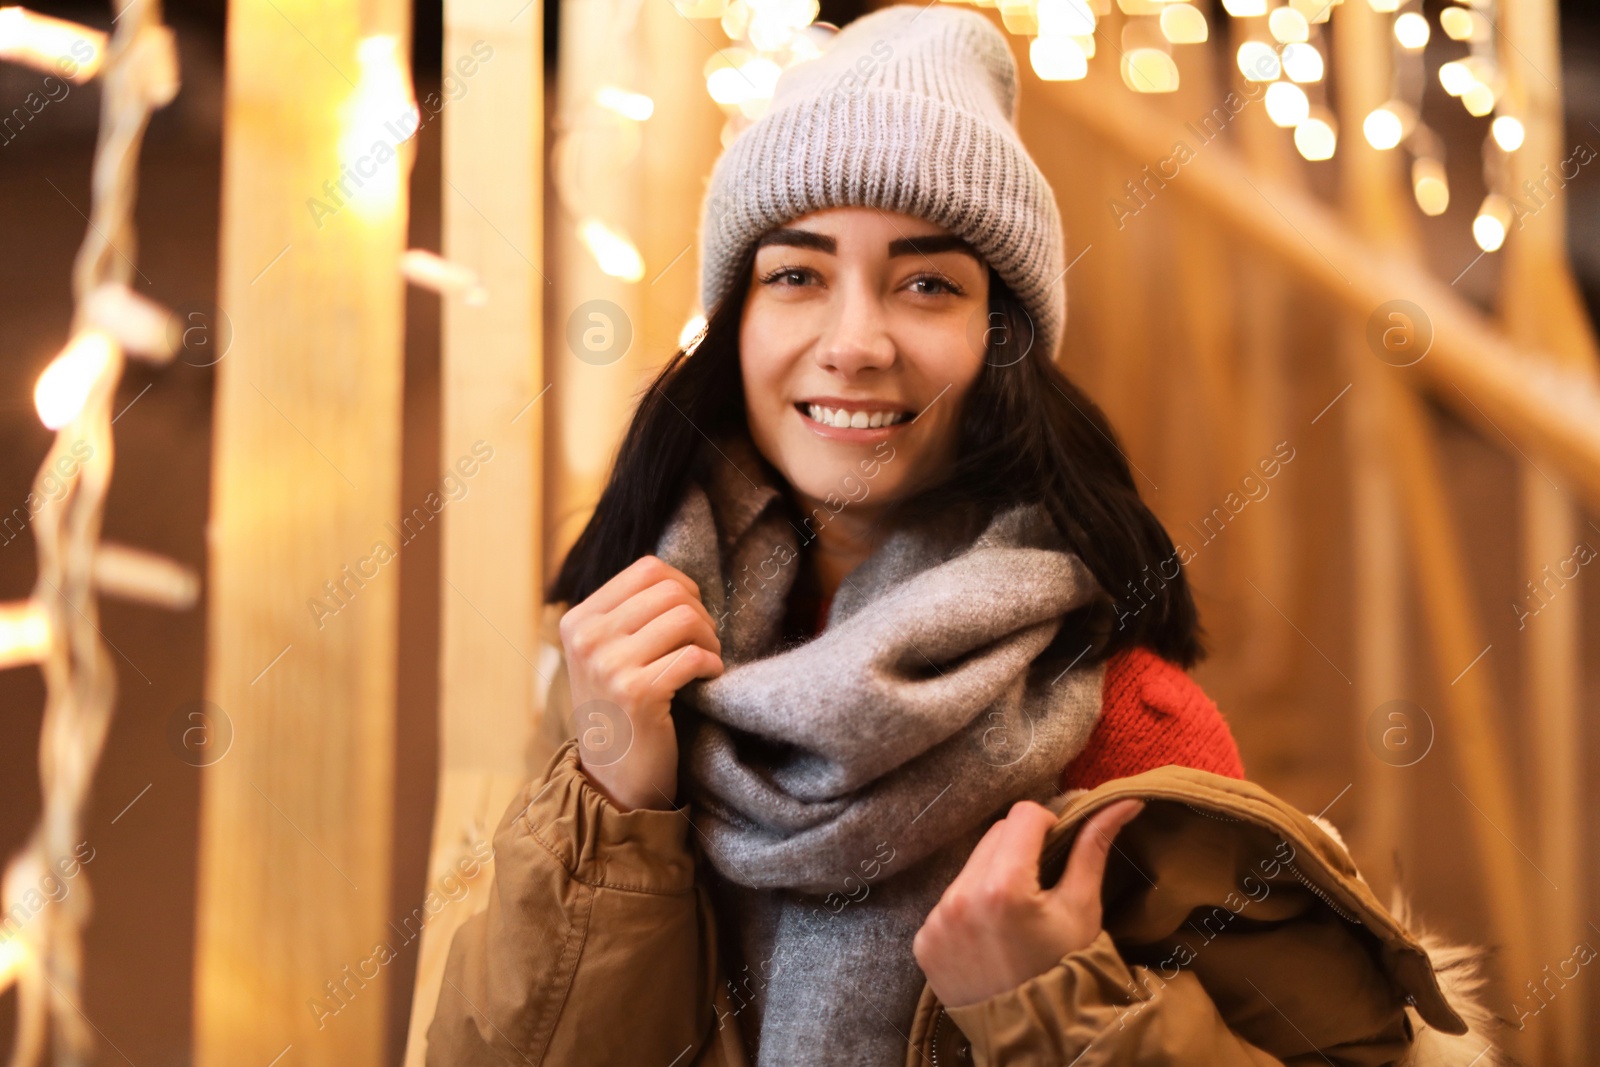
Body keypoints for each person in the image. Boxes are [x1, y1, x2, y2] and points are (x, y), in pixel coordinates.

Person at [424, 7, 1500, 1065]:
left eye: (927, 283)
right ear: (734, 323)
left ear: (1002, 343)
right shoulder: (621, 662)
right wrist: (618, 807)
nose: (853, 342)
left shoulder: (1121, 725)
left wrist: (1057, 1004)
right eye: (796, 275)